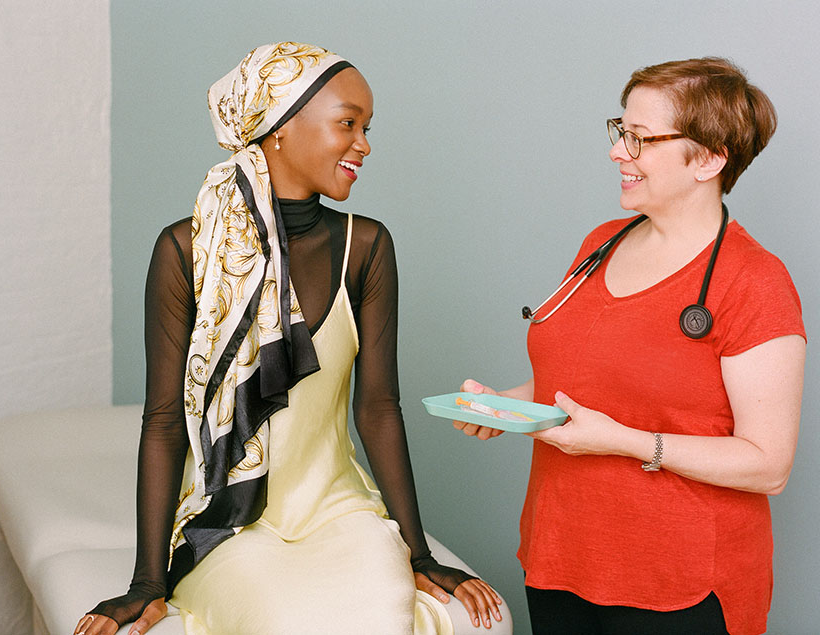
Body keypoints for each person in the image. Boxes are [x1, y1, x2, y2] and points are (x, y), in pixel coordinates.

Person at [75, 42, 501, 635]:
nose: (365, 144)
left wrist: (419, 554)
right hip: (230, 525)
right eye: (348, 124)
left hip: (340, 512)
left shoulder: (367, 247)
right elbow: (165, 419)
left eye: (367, 127)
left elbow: (377, 407)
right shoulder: (184, 251)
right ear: (279, 127)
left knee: (380, 620)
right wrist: (147, 581)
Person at [454, 57, 805, 635]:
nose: (618, 152)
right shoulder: (601, 244)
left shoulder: (754, 281)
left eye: (640, 139)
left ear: (711, 158)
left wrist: (621, 442)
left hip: (680, 587)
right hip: (560, 560)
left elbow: (769, 464)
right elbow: (582, 386)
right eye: (621, 132)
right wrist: (504, 404)